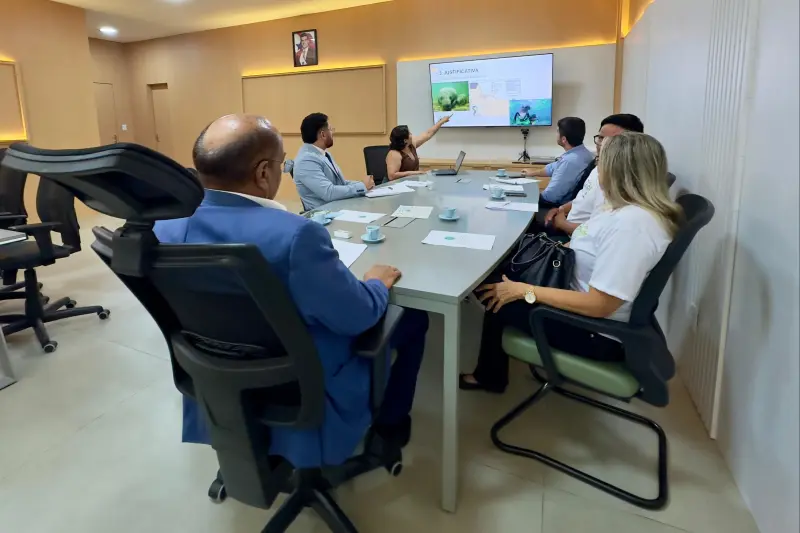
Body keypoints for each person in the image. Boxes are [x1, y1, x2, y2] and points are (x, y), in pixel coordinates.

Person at [154, 114, 429, 467]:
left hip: (213, 372)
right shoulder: (297, 235)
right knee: (414, 318)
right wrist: (376, 282)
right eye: (281, 164)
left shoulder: (165, 229)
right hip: (301, 377)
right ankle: (390, 426)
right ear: (263, 173)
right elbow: (358, 316)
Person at [460, 132, 682, 393]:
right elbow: (590, 244)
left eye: (601, 162)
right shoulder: (622, 210)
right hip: (570, 287)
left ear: (618, 170)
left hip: (593, 331)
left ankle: (490, 377)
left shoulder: (632, 226)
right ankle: (491, 371)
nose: (597, 169)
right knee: (498, 269)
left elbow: (600, 305)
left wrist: (524, 291)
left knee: (492, 290)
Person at [541, 113, 646, 236]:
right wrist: (560, 209)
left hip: (574, 236)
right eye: (600, 138)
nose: (602, 145)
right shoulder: (597, 166)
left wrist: (563, 224)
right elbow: (582, 198)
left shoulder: (622, 183)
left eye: (612, 141)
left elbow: (600, 233)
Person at [294, 112, 375, 210]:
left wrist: (362, 184)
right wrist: (362, 186)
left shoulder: (322, 153)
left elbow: (340, 183)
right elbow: (329, 192)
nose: (333, 133)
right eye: (331, 129)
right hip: (325, 214)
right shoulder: (306, 161)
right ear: (323, 134)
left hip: (338, 207)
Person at [524, 117, 595, 207]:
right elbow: (552, 168)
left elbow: (550, 197)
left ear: (564, 139)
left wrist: (526, 195)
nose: (556, 134)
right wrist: (533, 173)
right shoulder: (585, 154)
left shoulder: (569, 162)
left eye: (557, 131)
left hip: (556, 207)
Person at [385, 116, 450, 181]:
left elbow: (428, 134)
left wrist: (441, 122)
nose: (411, 134)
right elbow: (392, 176)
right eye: (409, 134)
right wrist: (415, 173)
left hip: (411, 182)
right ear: (405, 140)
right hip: (396, 185)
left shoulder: (410, 145)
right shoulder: (394, 154)